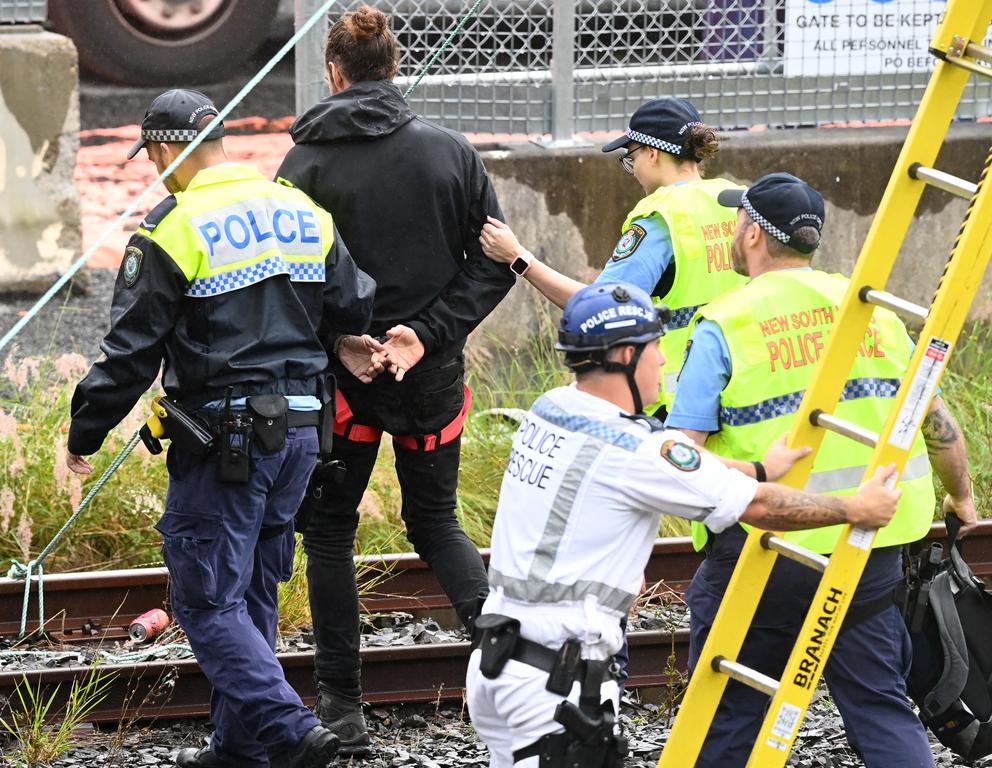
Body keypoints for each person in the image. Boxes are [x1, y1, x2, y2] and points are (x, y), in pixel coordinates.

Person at [466, 281, 902, 768]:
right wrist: (855, 509)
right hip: (557, 684)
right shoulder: (636, 451)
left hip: (499, 664)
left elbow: (677, 462)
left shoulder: (553, 409)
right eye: (656, 348)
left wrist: (760, 467)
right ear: (627, 355)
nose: (664, 362)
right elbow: (756, 508)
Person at [66, 89, 378, 768]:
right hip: (302, 431)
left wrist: (83, 433)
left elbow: (130, 352)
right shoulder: (299, 209)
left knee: (206, 600)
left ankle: (289, 731)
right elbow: (353, 300)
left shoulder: (174, 224)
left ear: (167, 147)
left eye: (152, 155)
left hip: (226, 440)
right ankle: (241, 749)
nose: (154, 169)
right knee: (253, 591)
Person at [669, 172, 978, 767]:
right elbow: (933, 418)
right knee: (880, 704)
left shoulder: (725, 323)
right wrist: (960, 495)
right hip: (867, 546)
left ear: (754, 234)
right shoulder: (875, 312)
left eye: (738, 222)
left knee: (729, 713)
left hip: (764, 549)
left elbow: (684, 458)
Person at [274, 5, 515, 754]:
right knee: (436, 521)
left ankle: (341, 708)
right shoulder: (450, 153)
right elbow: (497, 264)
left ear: (334, 74)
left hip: (342, 382)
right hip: (430, 374)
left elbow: (287, 280)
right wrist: (428, 335)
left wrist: (344, 338)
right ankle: (509, 671)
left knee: (331, 534)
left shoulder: (302, 166)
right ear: (395, 69)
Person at [479, 96, 746, 419]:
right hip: (733, 383)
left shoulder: (662, 218)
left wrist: (519, 258)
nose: (632, 171)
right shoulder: (733, 200)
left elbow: (598, 305)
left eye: (630, 157)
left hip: (676, 401)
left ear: (652, 153)